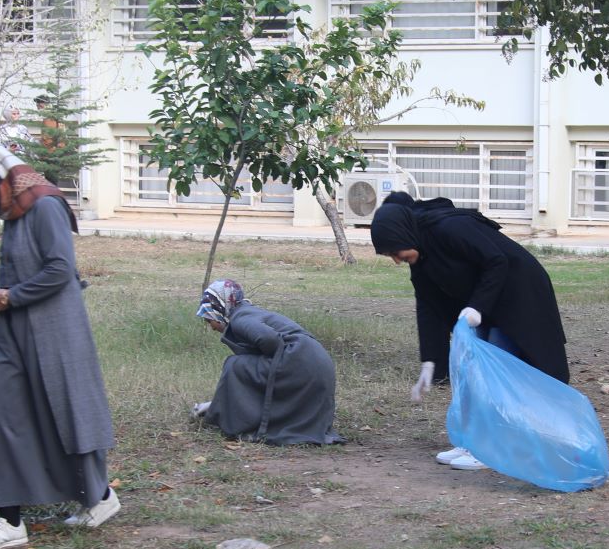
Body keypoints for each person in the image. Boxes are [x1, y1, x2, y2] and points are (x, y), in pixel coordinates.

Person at [0, 142, 121, 549]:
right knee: (10, 414)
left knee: (67, 412)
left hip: (55, 330)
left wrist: (13, 296)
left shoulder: (44, 206)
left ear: (1, 183)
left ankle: (98, 497)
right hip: (14, 331)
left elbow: (60, 269)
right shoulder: (15, 211)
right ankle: (10, 520)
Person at [368, 192, 569, 472]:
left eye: (395, 252)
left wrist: (477, 307)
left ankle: (491, 449)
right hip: (489, 302)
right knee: (474, 370)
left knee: (495, 373)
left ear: (405, 236)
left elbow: (497, 260)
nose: (396, 260)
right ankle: (475, 442)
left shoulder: (450, 228)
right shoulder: (421, 255)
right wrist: (430, 361)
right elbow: (428, 307)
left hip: (520, 293)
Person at [192, 279, 344, 445]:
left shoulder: (240, 319)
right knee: (247, 366)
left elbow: (270, 340)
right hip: (316, 363)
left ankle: (237, 421)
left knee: (234, 365)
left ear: (219, 308)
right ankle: (222, 408)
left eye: (209, 319)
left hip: (299, 360)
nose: (211, 326)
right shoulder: (248, 313)